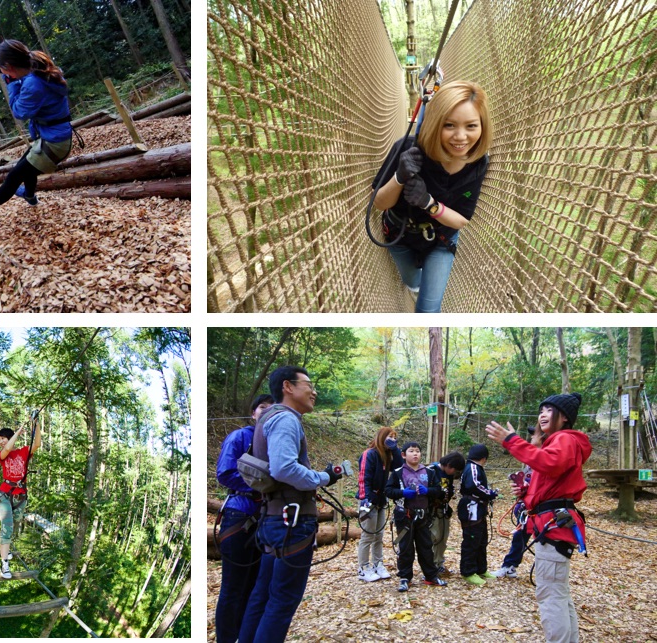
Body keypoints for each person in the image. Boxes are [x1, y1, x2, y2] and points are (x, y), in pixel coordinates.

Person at [238, 366, 345, 643]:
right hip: (291, 523)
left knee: (263, 595)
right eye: (309, 384)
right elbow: (284, 469)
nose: (314, 391)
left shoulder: (267, 419)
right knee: (282, 600)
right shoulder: (285, 419)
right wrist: (323, 477)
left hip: (274, 519)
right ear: (288, 386)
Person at [370, 80, 492, 312]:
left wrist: (429, 203)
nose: (461, 137)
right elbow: (379, 203)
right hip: (399, 234)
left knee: (428, 311)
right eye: (449, 125)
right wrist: (399, 177)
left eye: (471, 126)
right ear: (435, 124)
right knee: (412, 280)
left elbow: (462, 220)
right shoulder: (408, 148)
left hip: (441, 240)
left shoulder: (478, 162)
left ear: (482, 126)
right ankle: (415, 289)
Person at [487, 393, 591, 643]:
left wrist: (512, 441)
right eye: (541, 410)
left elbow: (550, 464)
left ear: (564, 417)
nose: (542, 414)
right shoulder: (560, 441)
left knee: (551, 595)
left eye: (549, 410)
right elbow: (550, 479)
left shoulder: (565, 439)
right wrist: (526, 492)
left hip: (554, 529)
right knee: (558, 594)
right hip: (552, 525)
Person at [0, 40, 73, 221]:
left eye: (1, 69)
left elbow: (19, 112)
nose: (1, 73)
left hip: (54, 143)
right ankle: (29, 195)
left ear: (9, 67)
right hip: (53, 137)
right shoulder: (36, 64)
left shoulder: (33, 84)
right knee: (26, 164)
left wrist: (11, 84)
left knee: (14, 176)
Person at [213, 393, 274, 643]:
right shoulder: (240, 437)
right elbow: (225, 473)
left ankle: (244, 636)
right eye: (262, 407)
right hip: (239, 515)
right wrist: (261, 486)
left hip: (267, 519)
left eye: (272, 408)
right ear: (253, 412)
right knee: (233, 587)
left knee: (255, 585)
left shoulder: (276, 442)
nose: (267, 412)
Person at [385, 442, 447, 591]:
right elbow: (388, 490)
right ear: (404, 455)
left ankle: (430, 576)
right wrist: (402, 493)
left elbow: (439, 490)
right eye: (411, 451)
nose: (415, 454)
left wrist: (428, 491)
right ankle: (405, 577)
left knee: (426, 546)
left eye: (418, 451)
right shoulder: (398, 472)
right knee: (405, 547)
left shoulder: (429, 472)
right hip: (404, 515)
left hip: (424, 515)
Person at [0, 419, 42, 579]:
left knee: (14, 524)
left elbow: (37, 444)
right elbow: (8, 449)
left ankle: (5, 551)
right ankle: (4, 564)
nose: (1, 442)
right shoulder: (1, 455)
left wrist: (36, 425)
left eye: (2, 438)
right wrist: (19, 430)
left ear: (9, 437)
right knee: (7, 525)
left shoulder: (23, 452)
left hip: (20, 495)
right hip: (4, 494)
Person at [354, 427, 402, 582]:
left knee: (379, 535)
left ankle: (377, 564)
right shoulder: (370, 454)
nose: (392, 440)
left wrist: (395, 450)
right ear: (382, 437)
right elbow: (364, 478)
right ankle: (363, 567)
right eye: (390, 437)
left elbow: (399, 469)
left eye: (395, 438)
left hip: (382, 500)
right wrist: (366, 498)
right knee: (367, 535)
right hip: (369, 500)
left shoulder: (388, 455)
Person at [494, 426, 541, 579]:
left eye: (535, 434)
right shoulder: (532, 461)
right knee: (520, 537)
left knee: (541, 541)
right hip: (528, 508)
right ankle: (509, 566)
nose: (532, 436)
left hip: (541, 510)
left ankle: (543, 572)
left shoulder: (544, 460)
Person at [457, 443, 499, 585]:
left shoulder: (476, 468)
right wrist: (490, 493)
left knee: (482, 539)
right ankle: (468, 571)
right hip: (471, 508)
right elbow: (473, 486)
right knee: (471, 539)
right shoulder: (473, 468)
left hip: (479, 508)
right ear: (483, 457)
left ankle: (481, 568)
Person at [425, 451, 465, 575]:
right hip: (431, 510)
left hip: (443, 509)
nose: (454, 473)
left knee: (443, 537)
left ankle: (439, 563)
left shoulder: (448, 475)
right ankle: (429, 565)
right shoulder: (431, 470)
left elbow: (449, 489)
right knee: (433, 537)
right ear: (448, 465)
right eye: (454, 469)